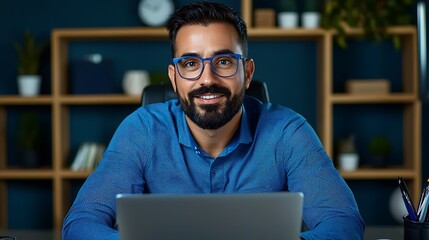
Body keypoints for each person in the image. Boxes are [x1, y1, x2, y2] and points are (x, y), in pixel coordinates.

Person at [62, 2, 365, 239]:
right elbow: (80, 225)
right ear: (174, 78)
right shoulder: (140, 130)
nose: (207, 79)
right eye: (191, 63)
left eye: (223, 61)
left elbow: (343, 223)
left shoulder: (288, 132)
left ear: (246, 73)